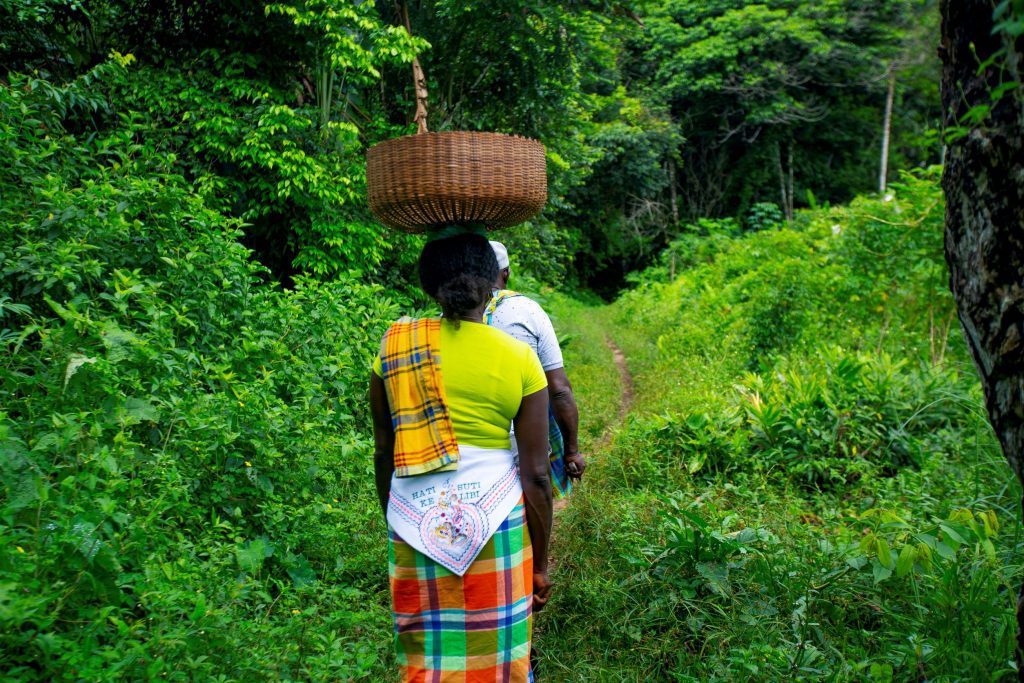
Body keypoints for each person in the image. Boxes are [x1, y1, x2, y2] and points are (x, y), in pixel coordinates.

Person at [370, 232, 553, 682]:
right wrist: (541, 563)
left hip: (414, 521)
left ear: (428, 286)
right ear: (495, 285)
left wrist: (393, 519)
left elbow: (384, 452)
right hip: (497, 522)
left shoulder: (394, 348)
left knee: (425, 657)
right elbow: (535, 474)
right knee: (501, 654)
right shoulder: (519, 358)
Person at [485, 241, 585, 498]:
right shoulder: (528, 310)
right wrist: (572, 450)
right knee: (534, 513)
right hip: (524, 441)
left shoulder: (451, 318)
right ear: (506, 272)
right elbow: (559, 390)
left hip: (471, 443)